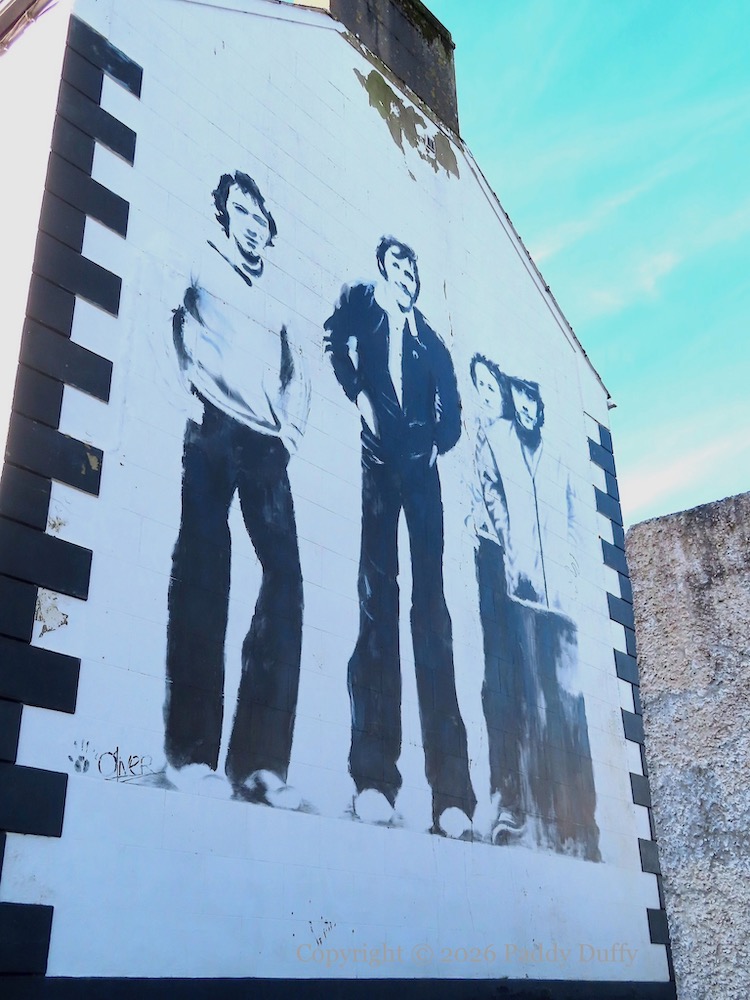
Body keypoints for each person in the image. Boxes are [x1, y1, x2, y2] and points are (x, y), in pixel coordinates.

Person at [163, 170, 310, 807]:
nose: (251, 223)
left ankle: (259, 765)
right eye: (240, 211)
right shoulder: (200, 262)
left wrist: (290, 435)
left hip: (264, 443)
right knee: (204, 570)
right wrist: (184, 395)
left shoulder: (279, 297)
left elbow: (299, 374)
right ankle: (192, 754)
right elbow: (165, 318)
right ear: (225, 217)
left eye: (259, 214)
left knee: (286, 579)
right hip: (211, 425)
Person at [324, 237, 476, 838]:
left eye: (412, 271)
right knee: (376, 605)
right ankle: (373, 779)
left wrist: (436, 443)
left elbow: (454, 414)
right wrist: (358, 393)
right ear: (383, 274)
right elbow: (333, 336)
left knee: (431, 615)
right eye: (397, 269)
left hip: (421, 478)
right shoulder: (365, 306)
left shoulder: (432, 343)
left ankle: (452, 796)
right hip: (377, 467)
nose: (406, 278)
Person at [470, 356, 600, 860]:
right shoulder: (497, 439)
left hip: (561, 599)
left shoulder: (559, 457)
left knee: (570, 703)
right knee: (533, 700)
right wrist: (511, 547)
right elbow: (492, 493)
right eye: (518, 398)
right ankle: (542, 816)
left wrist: (571, 567)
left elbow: (573, 519)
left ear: (539, 407)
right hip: (522, 589)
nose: (524, 407)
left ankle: (581, 826)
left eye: (531, 401)